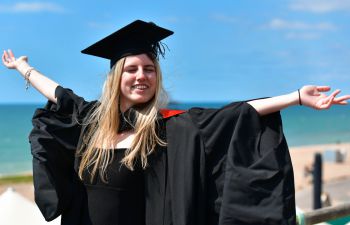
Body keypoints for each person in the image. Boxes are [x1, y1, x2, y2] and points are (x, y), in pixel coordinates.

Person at [2, 20, 350, 225]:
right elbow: (60, 95)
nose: (142, 76)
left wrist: (297, 97)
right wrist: (23, 69)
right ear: (116, 76)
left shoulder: (171, 128)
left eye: (149, 69)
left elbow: (236, 113)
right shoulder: (91, 121)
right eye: (132, 69)